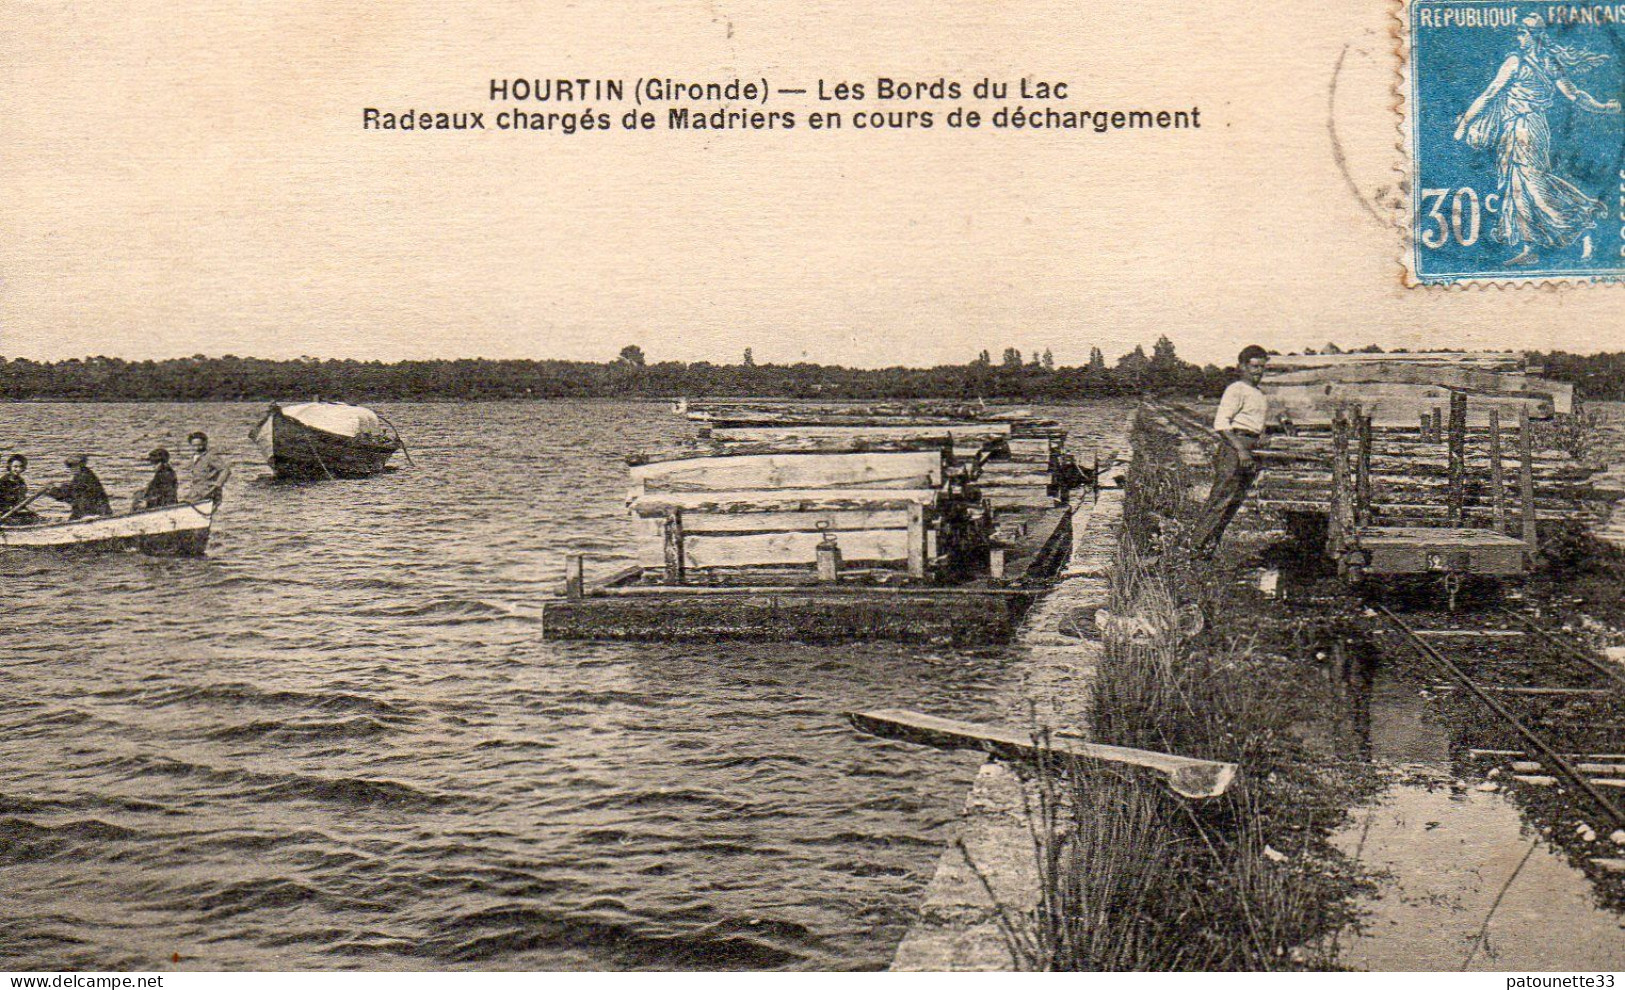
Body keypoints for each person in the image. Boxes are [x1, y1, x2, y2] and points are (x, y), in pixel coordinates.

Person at [1453, 15, 1622, 266]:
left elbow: (1489, 94)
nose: (1518, 37)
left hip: (1523, 128)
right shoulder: (1549, 62)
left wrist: (1465, 123)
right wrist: (1603, 107)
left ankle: (1577, 220)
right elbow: (1575, 95)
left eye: (1522, 33)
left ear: (1532, 36)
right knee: (1523, 182)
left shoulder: (1515, 62)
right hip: (1530, 128)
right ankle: (1531, 244)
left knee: (1527, 183)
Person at [1190, 345, 1292, 557]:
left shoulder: (1259, 393)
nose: (1258, 371)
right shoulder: (1236, 389)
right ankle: (1193, 547)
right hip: (1235, 446)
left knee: (1235, 501)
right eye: (1254, 366)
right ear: (1242, 367)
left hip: (1252, 445)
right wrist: (1242, 452)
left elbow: (1254, 423)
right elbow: (1221, 424)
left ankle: (1208, 548)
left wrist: (1281, 422)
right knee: (1221, 498)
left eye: (1261, 367)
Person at [44, 455, 112, 520]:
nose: (72, 469)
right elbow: (69, 497)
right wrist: (52, 492)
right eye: (71, 466)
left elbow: (70, 492)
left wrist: (53, 490)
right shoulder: (79, 477)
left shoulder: (85, 477)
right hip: (85, 511)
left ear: (81, 466)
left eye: (75, 466)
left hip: (95, 512)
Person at [184, 431, 232, 503]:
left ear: (205, 443)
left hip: (209, 492)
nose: (197, 447)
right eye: (194, 445)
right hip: (196, 492)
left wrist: (218, 483)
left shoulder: (210, 457)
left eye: (200, 445)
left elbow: (225, 469)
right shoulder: (194, 457)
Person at [0, 454, 38, 524]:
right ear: (9, 467)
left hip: (15, 511)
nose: (18, 469)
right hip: (4, 513)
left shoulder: (21, 483)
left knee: (34, 517)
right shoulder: (3, 482)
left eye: (21, 467)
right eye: (15, 467)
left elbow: (21, 501)